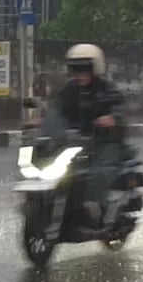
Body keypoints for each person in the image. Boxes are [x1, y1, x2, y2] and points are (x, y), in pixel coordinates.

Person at [55, 44, 128, 228]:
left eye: (84, 68)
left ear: (95, 68)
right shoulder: (69, 91)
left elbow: (119, 108)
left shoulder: (107, 89)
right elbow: (56, 110)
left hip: (105, 141)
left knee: (99, 173)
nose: (79, 73)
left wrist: (112, 118)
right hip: (76, 141)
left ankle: (101, 210)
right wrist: (42, 121)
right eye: (75, 68)